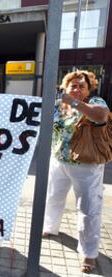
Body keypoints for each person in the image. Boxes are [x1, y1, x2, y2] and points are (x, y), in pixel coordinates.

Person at [43, 70, 110, 273]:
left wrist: (73, 102)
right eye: (73, 85)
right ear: (65, 87)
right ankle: (50, 228)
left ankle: (88, 253)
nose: (77, 88)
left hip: (86, 165)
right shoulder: (58, 105)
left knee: (89, 209)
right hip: (58, 160)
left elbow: (101, 116)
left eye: (82, 85)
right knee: (53, 197)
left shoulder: (95, 101)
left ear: (89, 89)